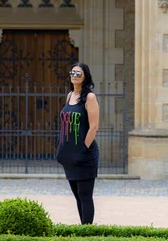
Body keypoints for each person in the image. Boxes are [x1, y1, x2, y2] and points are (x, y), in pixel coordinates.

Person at [56, 62, 99, 225]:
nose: (74, 75)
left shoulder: (89, 97)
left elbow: (94, 127)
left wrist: (82, 150)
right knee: (77, 195)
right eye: (72, 72)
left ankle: (87, 232)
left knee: (85, 195)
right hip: (70, 155)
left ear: (85, 77)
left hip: (85, 154)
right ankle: (83, 229)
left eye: (78, 73)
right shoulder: (70, 95)